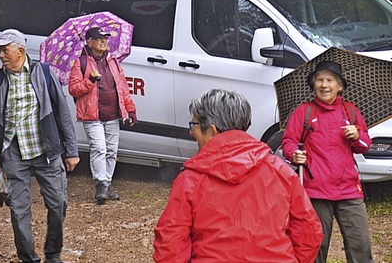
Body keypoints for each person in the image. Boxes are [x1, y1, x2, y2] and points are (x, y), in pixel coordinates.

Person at [153, 89, 323, 263]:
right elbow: (309, 232)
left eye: (193, 125)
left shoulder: (191, 180)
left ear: (212, 131)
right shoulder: (280, 170)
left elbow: (170, 245)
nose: (191, 132)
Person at [0, 29, 79, 263]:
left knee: (58, 203)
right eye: (0, 51)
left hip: (46, 151)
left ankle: (53, 253)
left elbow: (63, 113)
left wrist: (72, 151)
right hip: (13, 153)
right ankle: (28, 258)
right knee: (19, 210)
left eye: (6, 50)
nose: (1, 55)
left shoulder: (44, 73)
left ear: (21, 51)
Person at [282, 60, 374, 263]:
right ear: (313, 84)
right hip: (316, 190)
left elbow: (365, 145)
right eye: (320, 80)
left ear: (340, 86)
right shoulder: (304, 111)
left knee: (360, 244)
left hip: (349, 189)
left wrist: (356, 135)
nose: (324, 85)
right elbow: (289, 141)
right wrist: (294, 154)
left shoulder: (350, 111)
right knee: (316, 246)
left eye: (330, 80)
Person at [68, 27, 137, 205]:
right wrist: (90, 80)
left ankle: (106, 185)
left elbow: (122, 87)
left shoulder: (113, 61)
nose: (103, 41)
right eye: (99, 38)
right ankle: (101, 185)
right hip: (93, 115)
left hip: (113, 114)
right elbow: (73, 89)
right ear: (89, 42)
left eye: (105, 38)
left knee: (112, 151)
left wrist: (130, 108)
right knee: (99, 148)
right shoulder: (81, 62)